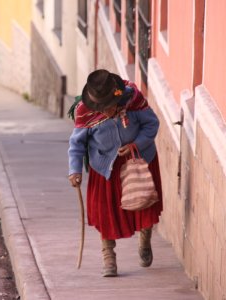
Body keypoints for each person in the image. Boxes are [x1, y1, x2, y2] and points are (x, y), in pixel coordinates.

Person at [67, 69, 163, 277]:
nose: (105, 112)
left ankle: (145, 238)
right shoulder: (85, 112)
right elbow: (77, 144)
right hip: (105, 167)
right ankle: (108, 256)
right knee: (105, 212)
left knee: (145, 203)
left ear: (117, 97)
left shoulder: (133, 100)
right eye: (100, 107)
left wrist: (135, 145)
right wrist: (74, 170)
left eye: (108, 107)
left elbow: (151, 124)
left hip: (139, 159)